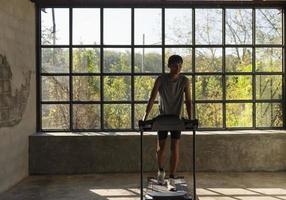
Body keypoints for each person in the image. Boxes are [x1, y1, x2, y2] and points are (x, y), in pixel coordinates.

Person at [143, 54, 192, 186]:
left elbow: (188, 101)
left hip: (177, 118)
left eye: (180, 65)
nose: (178, 68)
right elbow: (152, 98)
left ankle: (172, 176)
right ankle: (161, 171)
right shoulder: (161, 79)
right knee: (161, 147)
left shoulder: (185, 80)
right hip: (163, 118)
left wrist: (190, 118)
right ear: (169, 66)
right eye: (175, 65)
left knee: (175, 146)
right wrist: (145, 117)